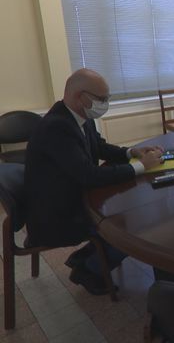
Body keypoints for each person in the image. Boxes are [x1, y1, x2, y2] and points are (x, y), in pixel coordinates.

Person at [25, 68, 164, 295]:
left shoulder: (77, 116)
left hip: (71, 198)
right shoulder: (56, 127)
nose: (106, 103)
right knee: (132, 225)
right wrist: (140, 167)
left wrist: (132, 152)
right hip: (56, 216)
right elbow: (89, 175)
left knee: (127, 213)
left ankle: (84, 260)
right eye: (102, 99)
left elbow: (99, 147)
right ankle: (90, 270)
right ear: (81, 96)